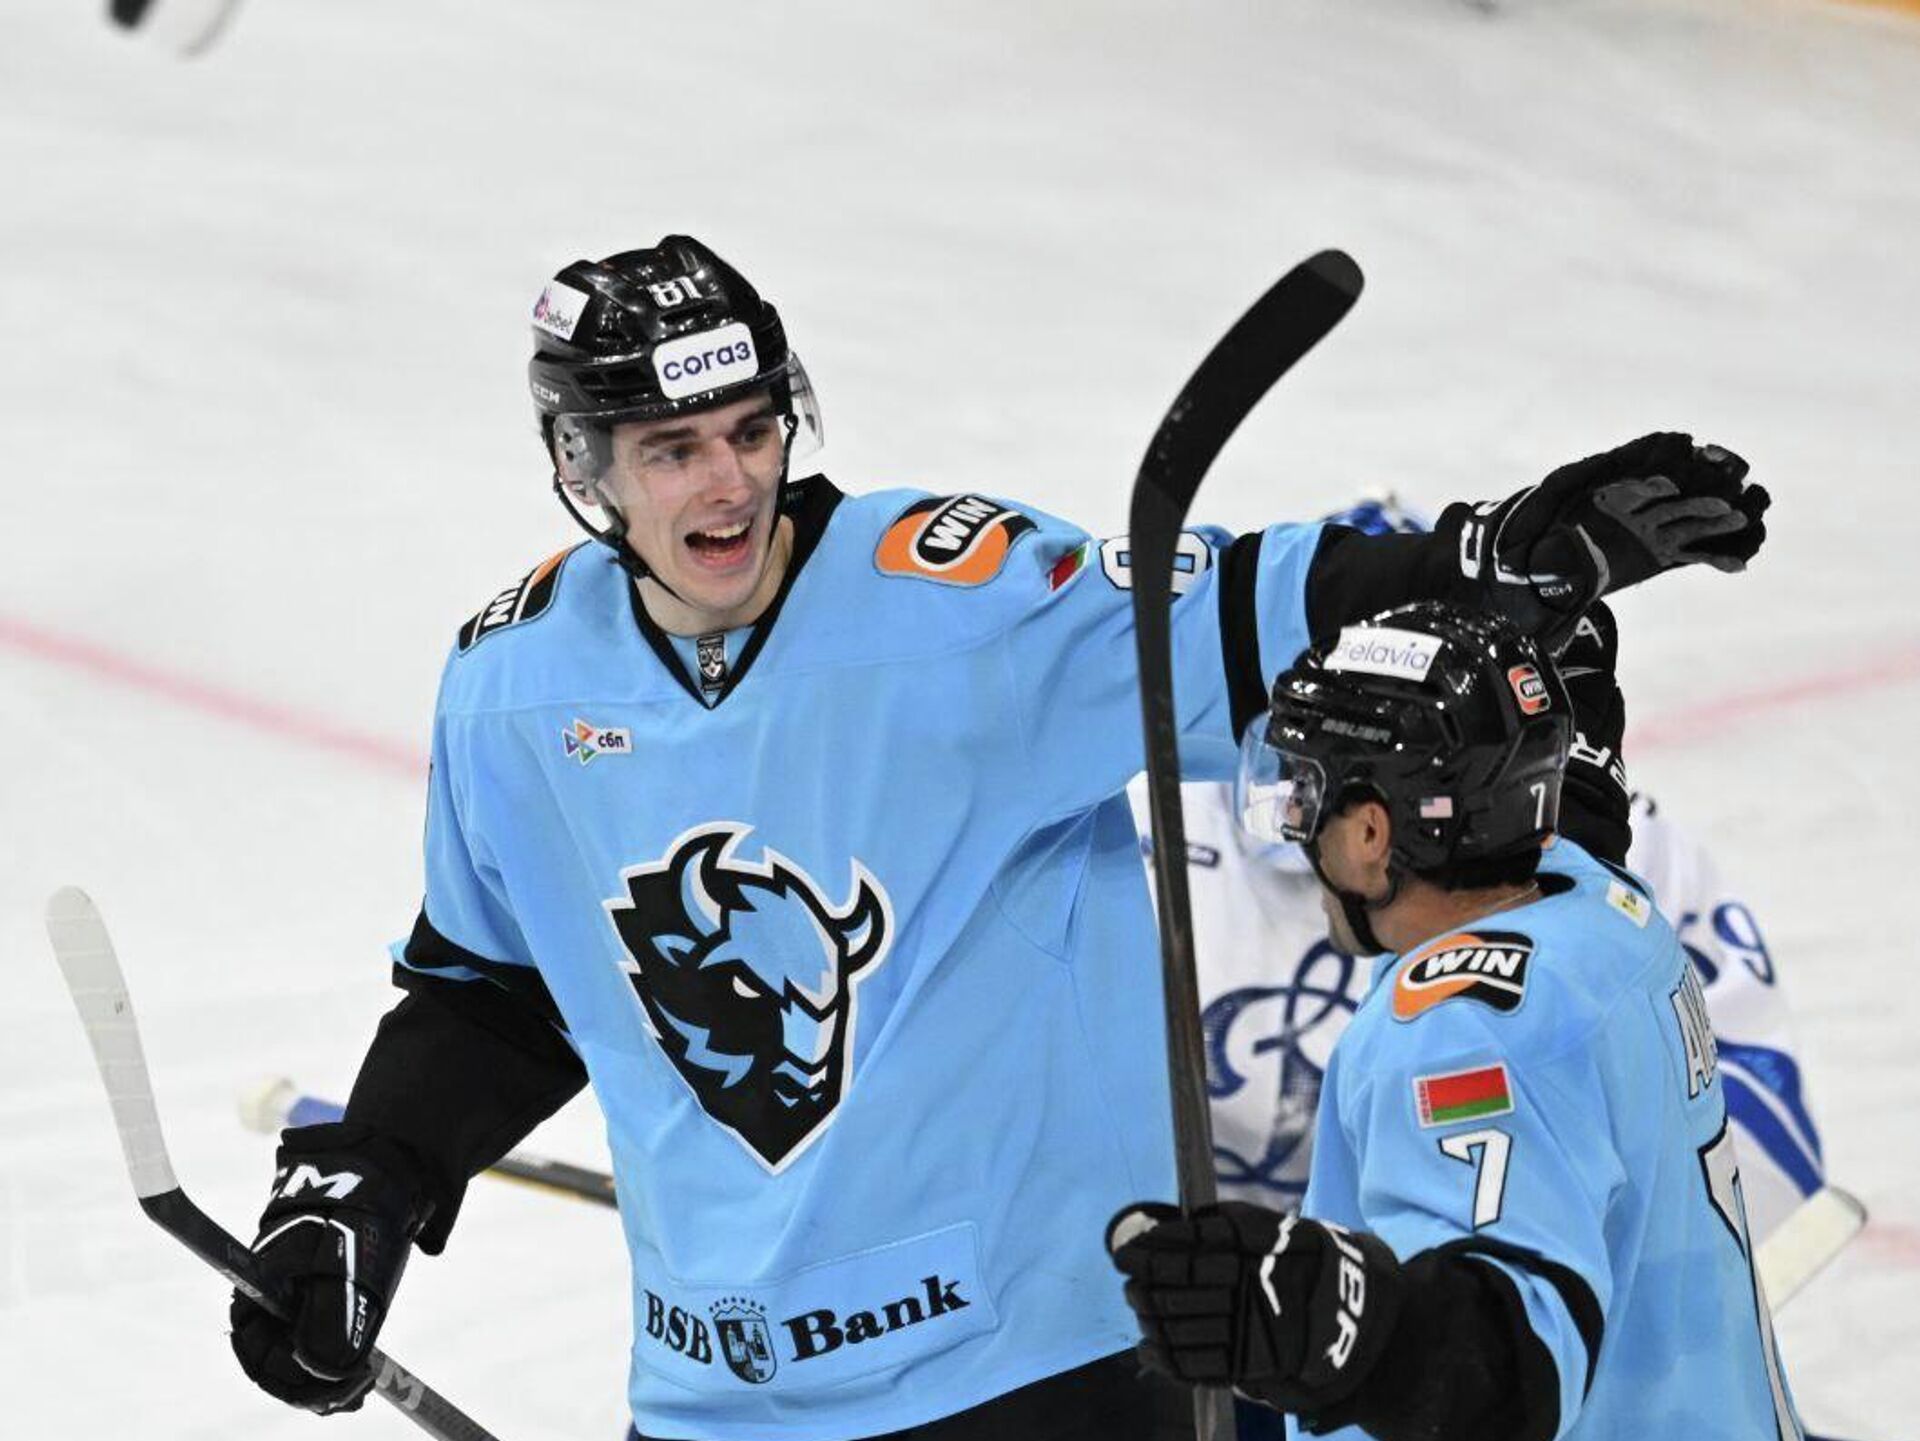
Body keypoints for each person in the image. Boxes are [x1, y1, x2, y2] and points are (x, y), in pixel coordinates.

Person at [223, 235, 1770, 1441]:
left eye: (752, 429)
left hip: (1045, 1371)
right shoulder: (511, 691)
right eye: (674, 447)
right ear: (584, 469)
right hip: (717, 1400)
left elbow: (1244, 611)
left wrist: (1494, 557)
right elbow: (495, 990)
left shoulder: (958, 605)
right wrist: (370, 1180)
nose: (732, 480)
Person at [1108, 602, 1802, 1441]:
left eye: (1309, 797)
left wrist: (1339, 1323)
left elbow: (1513, 1366)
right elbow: (1572, 828)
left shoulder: (1454, 1032)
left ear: (1372, 832)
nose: (1296, 830)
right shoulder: (1605, 908)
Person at [1130, 501, 1824, 1240]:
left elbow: (1760, 1132)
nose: (1289, 801)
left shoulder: (1598, 883)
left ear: (1375, 821)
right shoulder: (1152, 832)